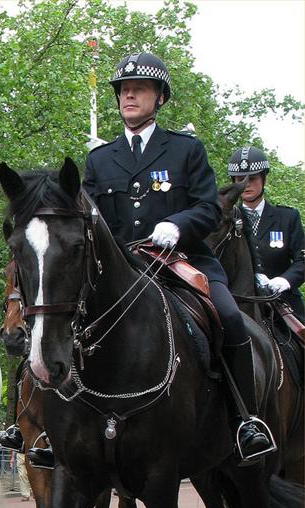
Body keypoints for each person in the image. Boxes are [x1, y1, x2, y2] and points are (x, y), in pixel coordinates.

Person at [82, 51, 275, 465]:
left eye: (139, 89)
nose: (129, 96)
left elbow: (209, 207)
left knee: (230, 317)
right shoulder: (100, 159)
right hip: (122, 268)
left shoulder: (185, 149)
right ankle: (48, 428)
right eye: (123, 90)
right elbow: (91, 220)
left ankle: (247, 421)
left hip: (180, 260)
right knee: (62, 318)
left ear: (160, 98)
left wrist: (178, 224)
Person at [227, 146, 304, 321]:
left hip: (283, 303)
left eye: (252, 178)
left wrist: (285, 281)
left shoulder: (287, 217)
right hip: (241, 305)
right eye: (240, 179)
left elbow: (302, 259)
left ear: (264, 179)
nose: (245, 184)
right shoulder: (226, 221)